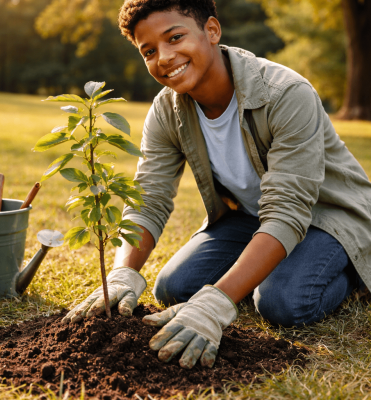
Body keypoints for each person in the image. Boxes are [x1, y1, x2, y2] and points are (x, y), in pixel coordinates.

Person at [62, 0, 371, 370]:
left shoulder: (285, 93)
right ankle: (269, 266)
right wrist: (123, 272)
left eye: (175, 37)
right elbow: (149, 196)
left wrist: (217, 303)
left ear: (211, 31)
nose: (163, 57)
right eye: (149, 51)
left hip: (329, 215)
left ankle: (353, 269)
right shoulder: (166, 110)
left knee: (281, 302)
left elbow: (288, 210)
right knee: (174, 288)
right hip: (252, 217)